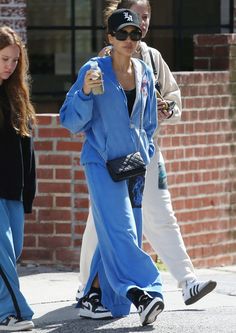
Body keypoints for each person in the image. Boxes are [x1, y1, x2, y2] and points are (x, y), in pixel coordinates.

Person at [77, 0, 217, 310]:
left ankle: (187, 281)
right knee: (100, 223)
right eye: (138, 17)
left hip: (149, 152)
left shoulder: (153, 57)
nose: (142, 23)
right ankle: (87, 287)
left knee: (162, 215)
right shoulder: (103, 61)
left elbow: (173, 97)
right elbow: (94, 110)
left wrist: (168, 110)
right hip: (113, 156)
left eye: (147, 17)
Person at [60, 8, 165, 326]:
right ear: (110, 37)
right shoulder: (94, 70)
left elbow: (148, 123)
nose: (129, 40)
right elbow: (70, 120)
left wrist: (144, 154)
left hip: (133, 166)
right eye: (122, 34)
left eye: (135, 33)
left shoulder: (145, 72)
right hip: (101, 163)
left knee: (119, 231)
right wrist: (86, 93)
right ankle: (145, 292)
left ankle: (93, 295)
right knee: (122, 230)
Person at [0, 26, 36, 331]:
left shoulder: (17, 95)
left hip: (14, 190)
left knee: (12, 253)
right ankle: (9, 314)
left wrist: (28, 194)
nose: (9, 66)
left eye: (14, 60)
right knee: (2, 258)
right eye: (3, 59)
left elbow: (28, 149)